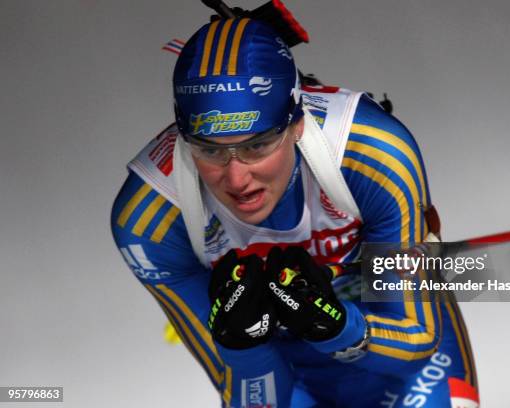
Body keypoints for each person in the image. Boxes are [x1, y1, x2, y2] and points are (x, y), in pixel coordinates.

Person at [111, 17, 479, 408]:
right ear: (184, 139)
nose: (237, 179)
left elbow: (416, 343)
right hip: (284, 373)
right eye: (210, 150)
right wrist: (243, 346)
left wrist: (338, 327)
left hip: (392, 348)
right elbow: (249, 395)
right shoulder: (148, 218)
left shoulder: (372, 153)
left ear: (298, 124)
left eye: (257, 146)